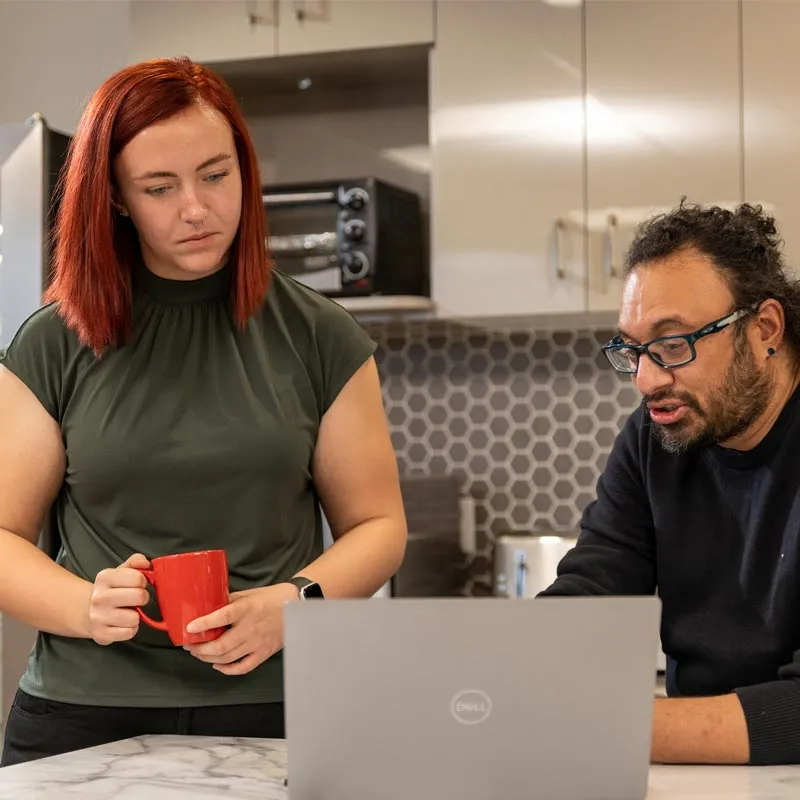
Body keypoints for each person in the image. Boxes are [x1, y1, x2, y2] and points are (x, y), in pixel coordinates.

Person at [0, 57, 407, 766]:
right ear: (117, 198)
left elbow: (378, 526)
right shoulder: (52, 342)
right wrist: (85, 609)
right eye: (159, 187)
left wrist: (295, 602)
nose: (196, 208)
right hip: (84, 710)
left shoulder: (319, 334)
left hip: (282, 703)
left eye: (216, 176)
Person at [540, 201, 800, 767]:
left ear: (764, 329)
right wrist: (518, 671)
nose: (647, 380)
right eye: (631, 351)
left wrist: (599, 722)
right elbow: (594, 590)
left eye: (673, 344)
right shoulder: (654, 437)